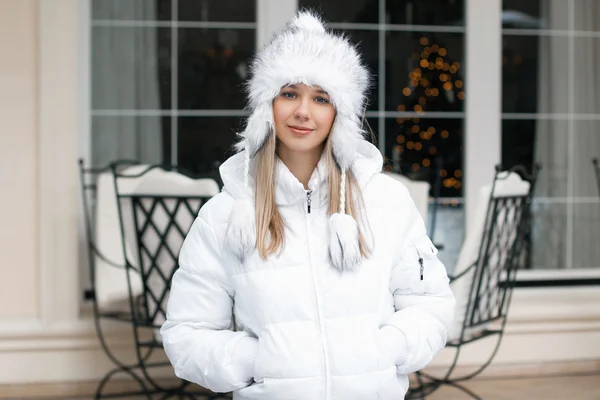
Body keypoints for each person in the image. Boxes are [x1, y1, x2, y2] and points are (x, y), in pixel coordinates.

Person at [161, 10, 455, 400]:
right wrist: (256, 361)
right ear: (268, 106)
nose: (303, 111)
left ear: (340, 113)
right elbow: (186, 332)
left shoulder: (385, 202)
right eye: (289, 94)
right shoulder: (225, 213)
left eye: (320, 97)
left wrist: (384, 351)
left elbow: (430, 304)